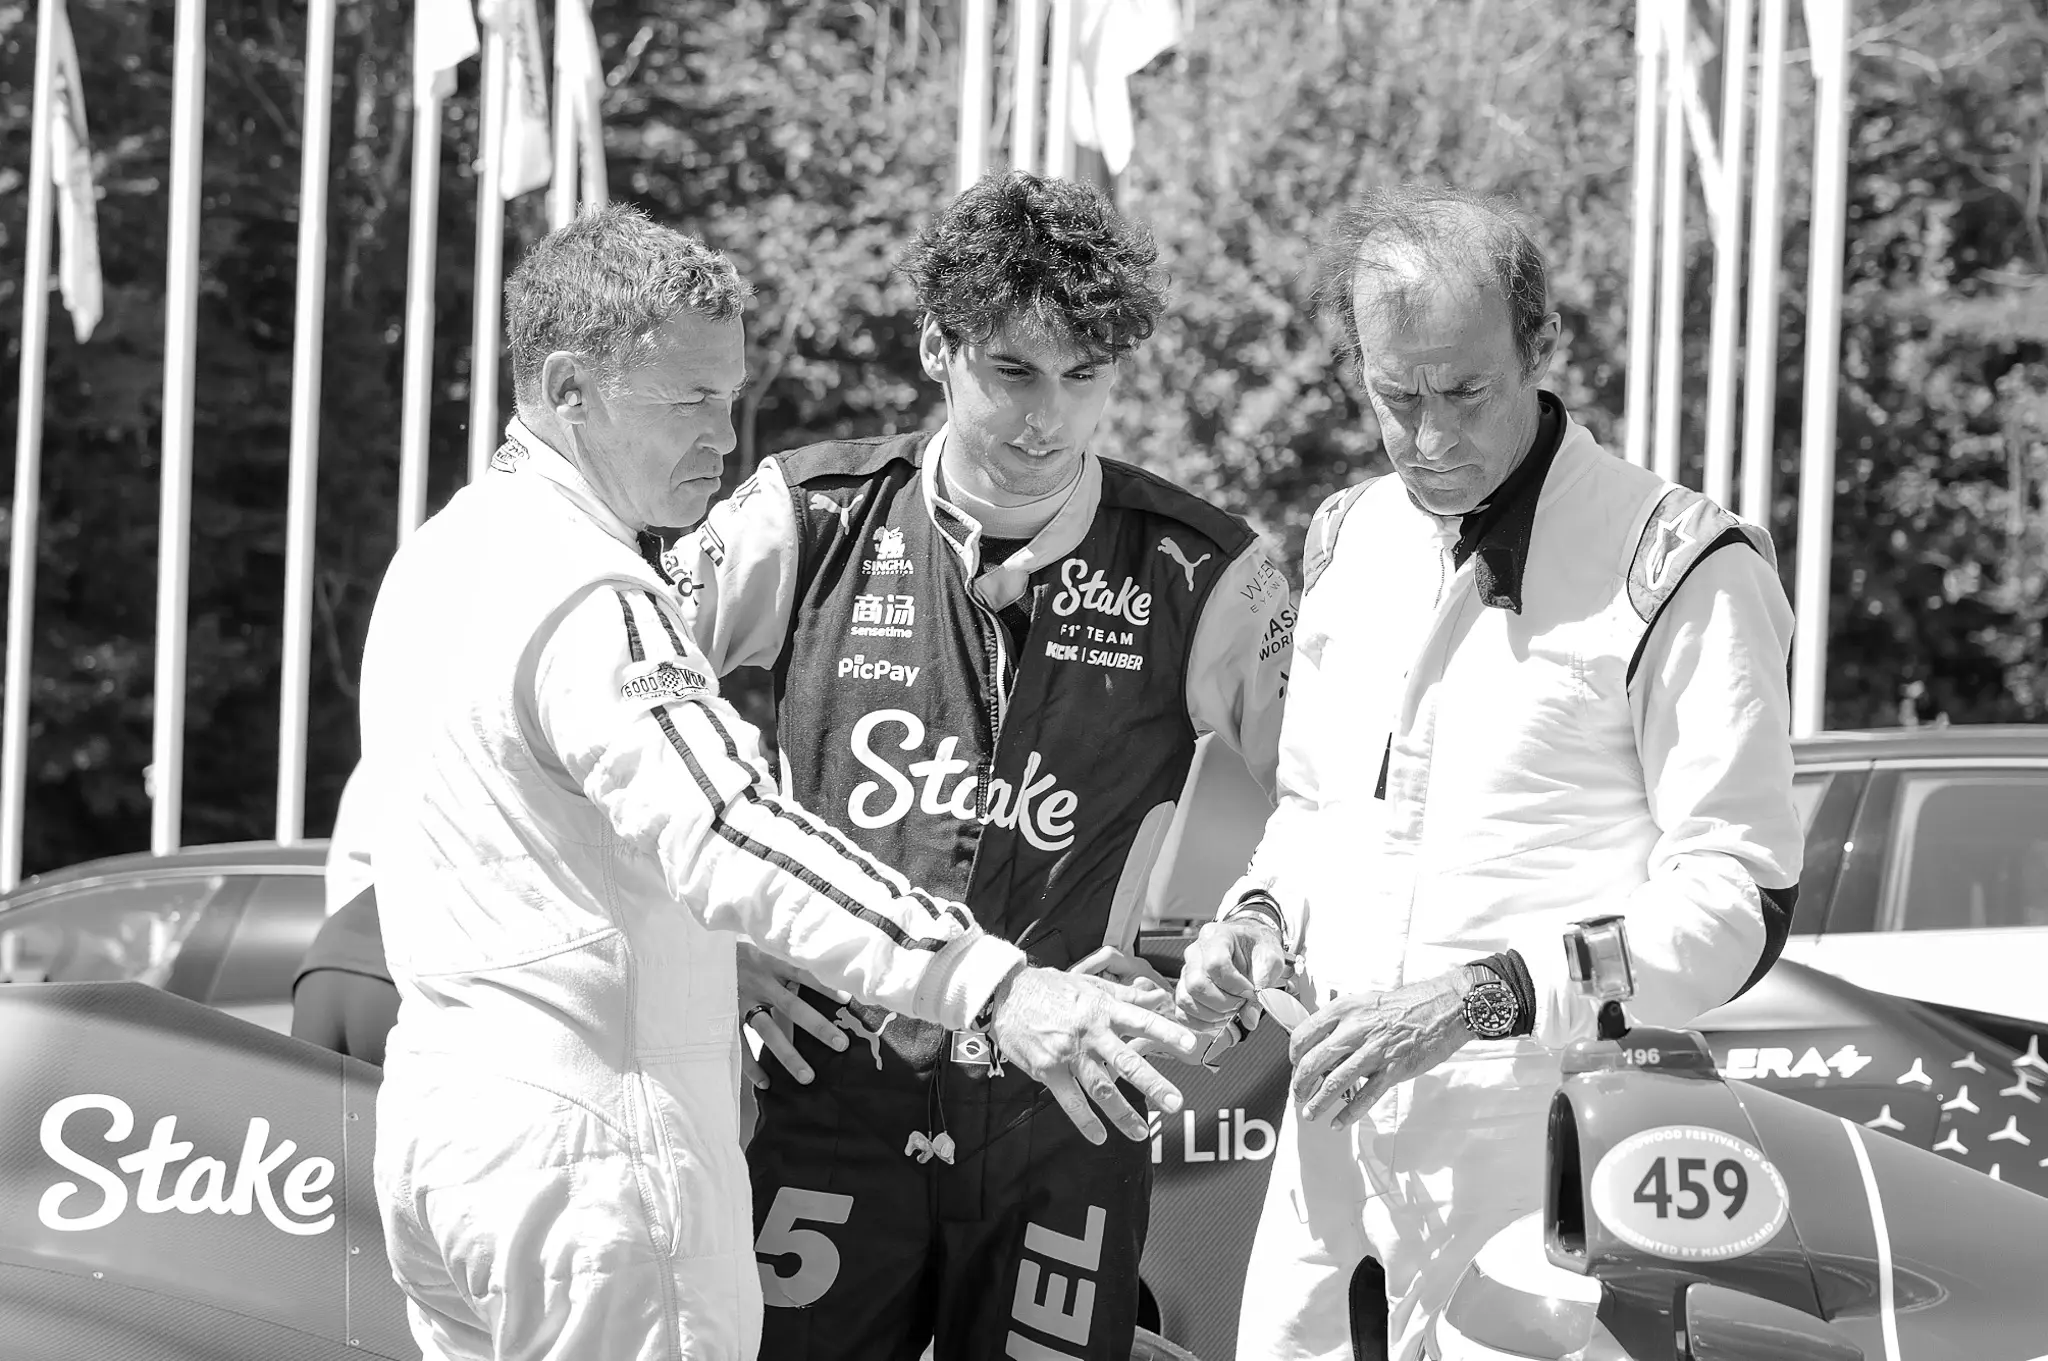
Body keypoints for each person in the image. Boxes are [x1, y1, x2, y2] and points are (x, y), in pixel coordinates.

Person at [356, 204, 1200, 1361]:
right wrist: (998, 986)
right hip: (591, 1155)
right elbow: (729, 828)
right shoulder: (594, 595)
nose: (724, 434)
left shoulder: (442, 554)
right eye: (689, 400)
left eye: (731, 394)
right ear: (566, 390)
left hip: (442, 1134)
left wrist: (725, 955)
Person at [667, 171, 1294, 1361]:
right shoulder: (804, 515)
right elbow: (607, 735)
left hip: (1065, 1114)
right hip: (831, 1096)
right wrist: (710, 942)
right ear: (935, 348)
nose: (1045, 418)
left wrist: (1245, 923)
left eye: (1083, 376)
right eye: (1011, 371)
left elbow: (1333, 796)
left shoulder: (1205, 568)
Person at [1175, 185, 1805, 1361]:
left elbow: (1739, 900)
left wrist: (1486, 995)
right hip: (1332, 1126)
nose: (1427, 439)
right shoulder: (1347, 535)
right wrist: (1253, 920)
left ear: (1540, 345)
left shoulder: (1677, 560)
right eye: (1394, 396)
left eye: (1464, 393)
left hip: (1550, 1146)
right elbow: (1314, 810)